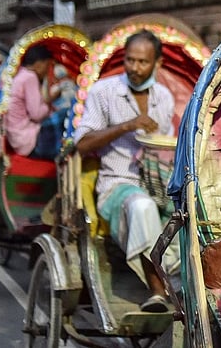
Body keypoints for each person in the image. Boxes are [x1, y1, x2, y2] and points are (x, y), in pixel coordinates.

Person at [74, 30, 178, 313]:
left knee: (191, 209)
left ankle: (184, 281)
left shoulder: (164, 98)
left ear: (157, 63)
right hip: (116, 184)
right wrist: (125, 126)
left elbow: (164, 146)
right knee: (142, 206)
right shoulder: (103, 92)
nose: (134, 68)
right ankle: (158, 288)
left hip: (157, 180)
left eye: (143, 62)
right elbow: (81, 144)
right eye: (130, 60)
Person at [5, 44, 66, 160]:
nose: (48, 71)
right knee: (67, 113)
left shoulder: (20, 75)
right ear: (38, 64)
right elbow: (37, 114)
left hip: (19, 140)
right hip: (30, 141)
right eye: (47, 66)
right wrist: (50, 101)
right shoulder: (30, 77)